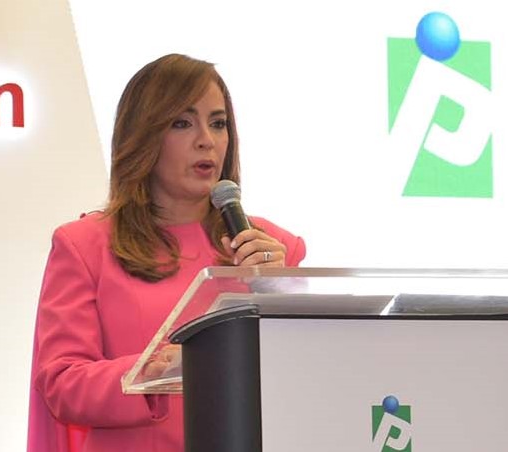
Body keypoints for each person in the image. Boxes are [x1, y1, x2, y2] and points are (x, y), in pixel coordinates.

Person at [27, 53, 306, 452]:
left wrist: (281, 292)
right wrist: (153, 372)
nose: (206, 140)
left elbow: (307, 374)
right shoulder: (85, 245)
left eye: (218, 123)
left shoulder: (271, 248)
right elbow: (62, 383)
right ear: (144, 135)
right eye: (182, 123)